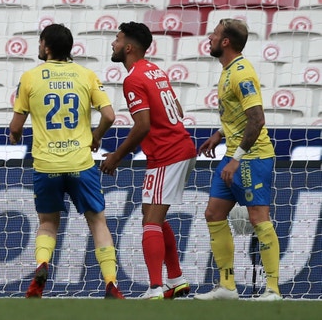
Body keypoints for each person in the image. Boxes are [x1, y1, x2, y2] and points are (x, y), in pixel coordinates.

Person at [8, 23, 123, 299]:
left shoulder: (30, 78)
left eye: (39, 43)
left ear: (46, 47)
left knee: (47, 223)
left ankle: (42, 264)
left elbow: (15, 126)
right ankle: (110, 283)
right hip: (80, 162)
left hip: (46, 164)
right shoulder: (86, 75)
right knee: (97, 221)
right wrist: (96, 137)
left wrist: (15, 136)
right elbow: (109, 115)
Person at [101, 22, 196, 299]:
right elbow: (176, 107)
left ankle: (155, 287)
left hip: (167, 153)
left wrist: (117, 156)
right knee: (152, 215)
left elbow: (142, 125)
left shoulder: (133, 79)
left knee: (150, 222)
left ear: (128, 47)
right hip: (180, 146)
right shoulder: (154, 69)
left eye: (117, 40)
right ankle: (175, 278)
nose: (113, 44)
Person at [195, 18, 281, 301]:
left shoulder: (242, 73)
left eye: (215, 34)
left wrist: (237, 159)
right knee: (213, 214)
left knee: (258, 218)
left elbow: (257, 120)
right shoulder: (228, 70)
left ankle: (272, 290)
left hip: (252, 157)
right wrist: (220, 134)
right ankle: (227, 287)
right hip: (233, 153)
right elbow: (239, 113)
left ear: (226, 42)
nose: (210, 37)